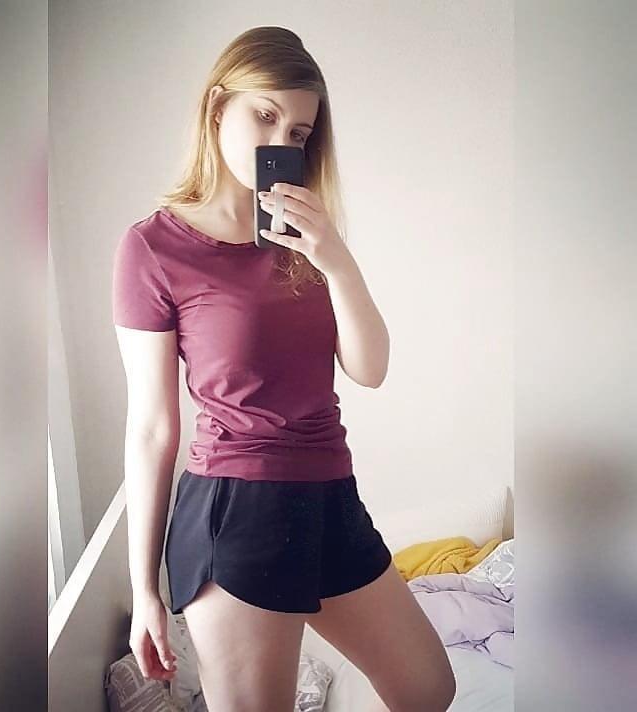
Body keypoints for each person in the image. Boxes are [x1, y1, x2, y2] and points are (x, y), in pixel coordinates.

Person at [112, 25, 456, 712]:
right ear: (218, 108)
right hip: (238, 510)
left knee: (428, 689)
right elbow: (152, 427)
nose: (280, 141)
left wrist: (335, 258)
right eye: (264, 115)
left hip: (330, 495)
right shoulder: (153, 248)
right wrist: (144, 590)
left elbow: (370, 368)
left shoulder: (307, 239)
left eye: (297, 132)